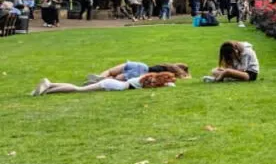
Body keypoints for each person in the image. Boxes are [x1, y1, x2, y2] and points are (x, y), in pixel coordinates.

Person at [32, 71, 177, 96]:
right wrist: (168, 84)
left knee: (80, 89)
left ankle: (49, 87)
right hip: (112, 85)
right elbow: (170, 86)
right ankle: (48, 87)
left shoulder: (147, 77)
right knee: (78, 89)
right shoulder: (153, 83)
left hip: (112, 83)